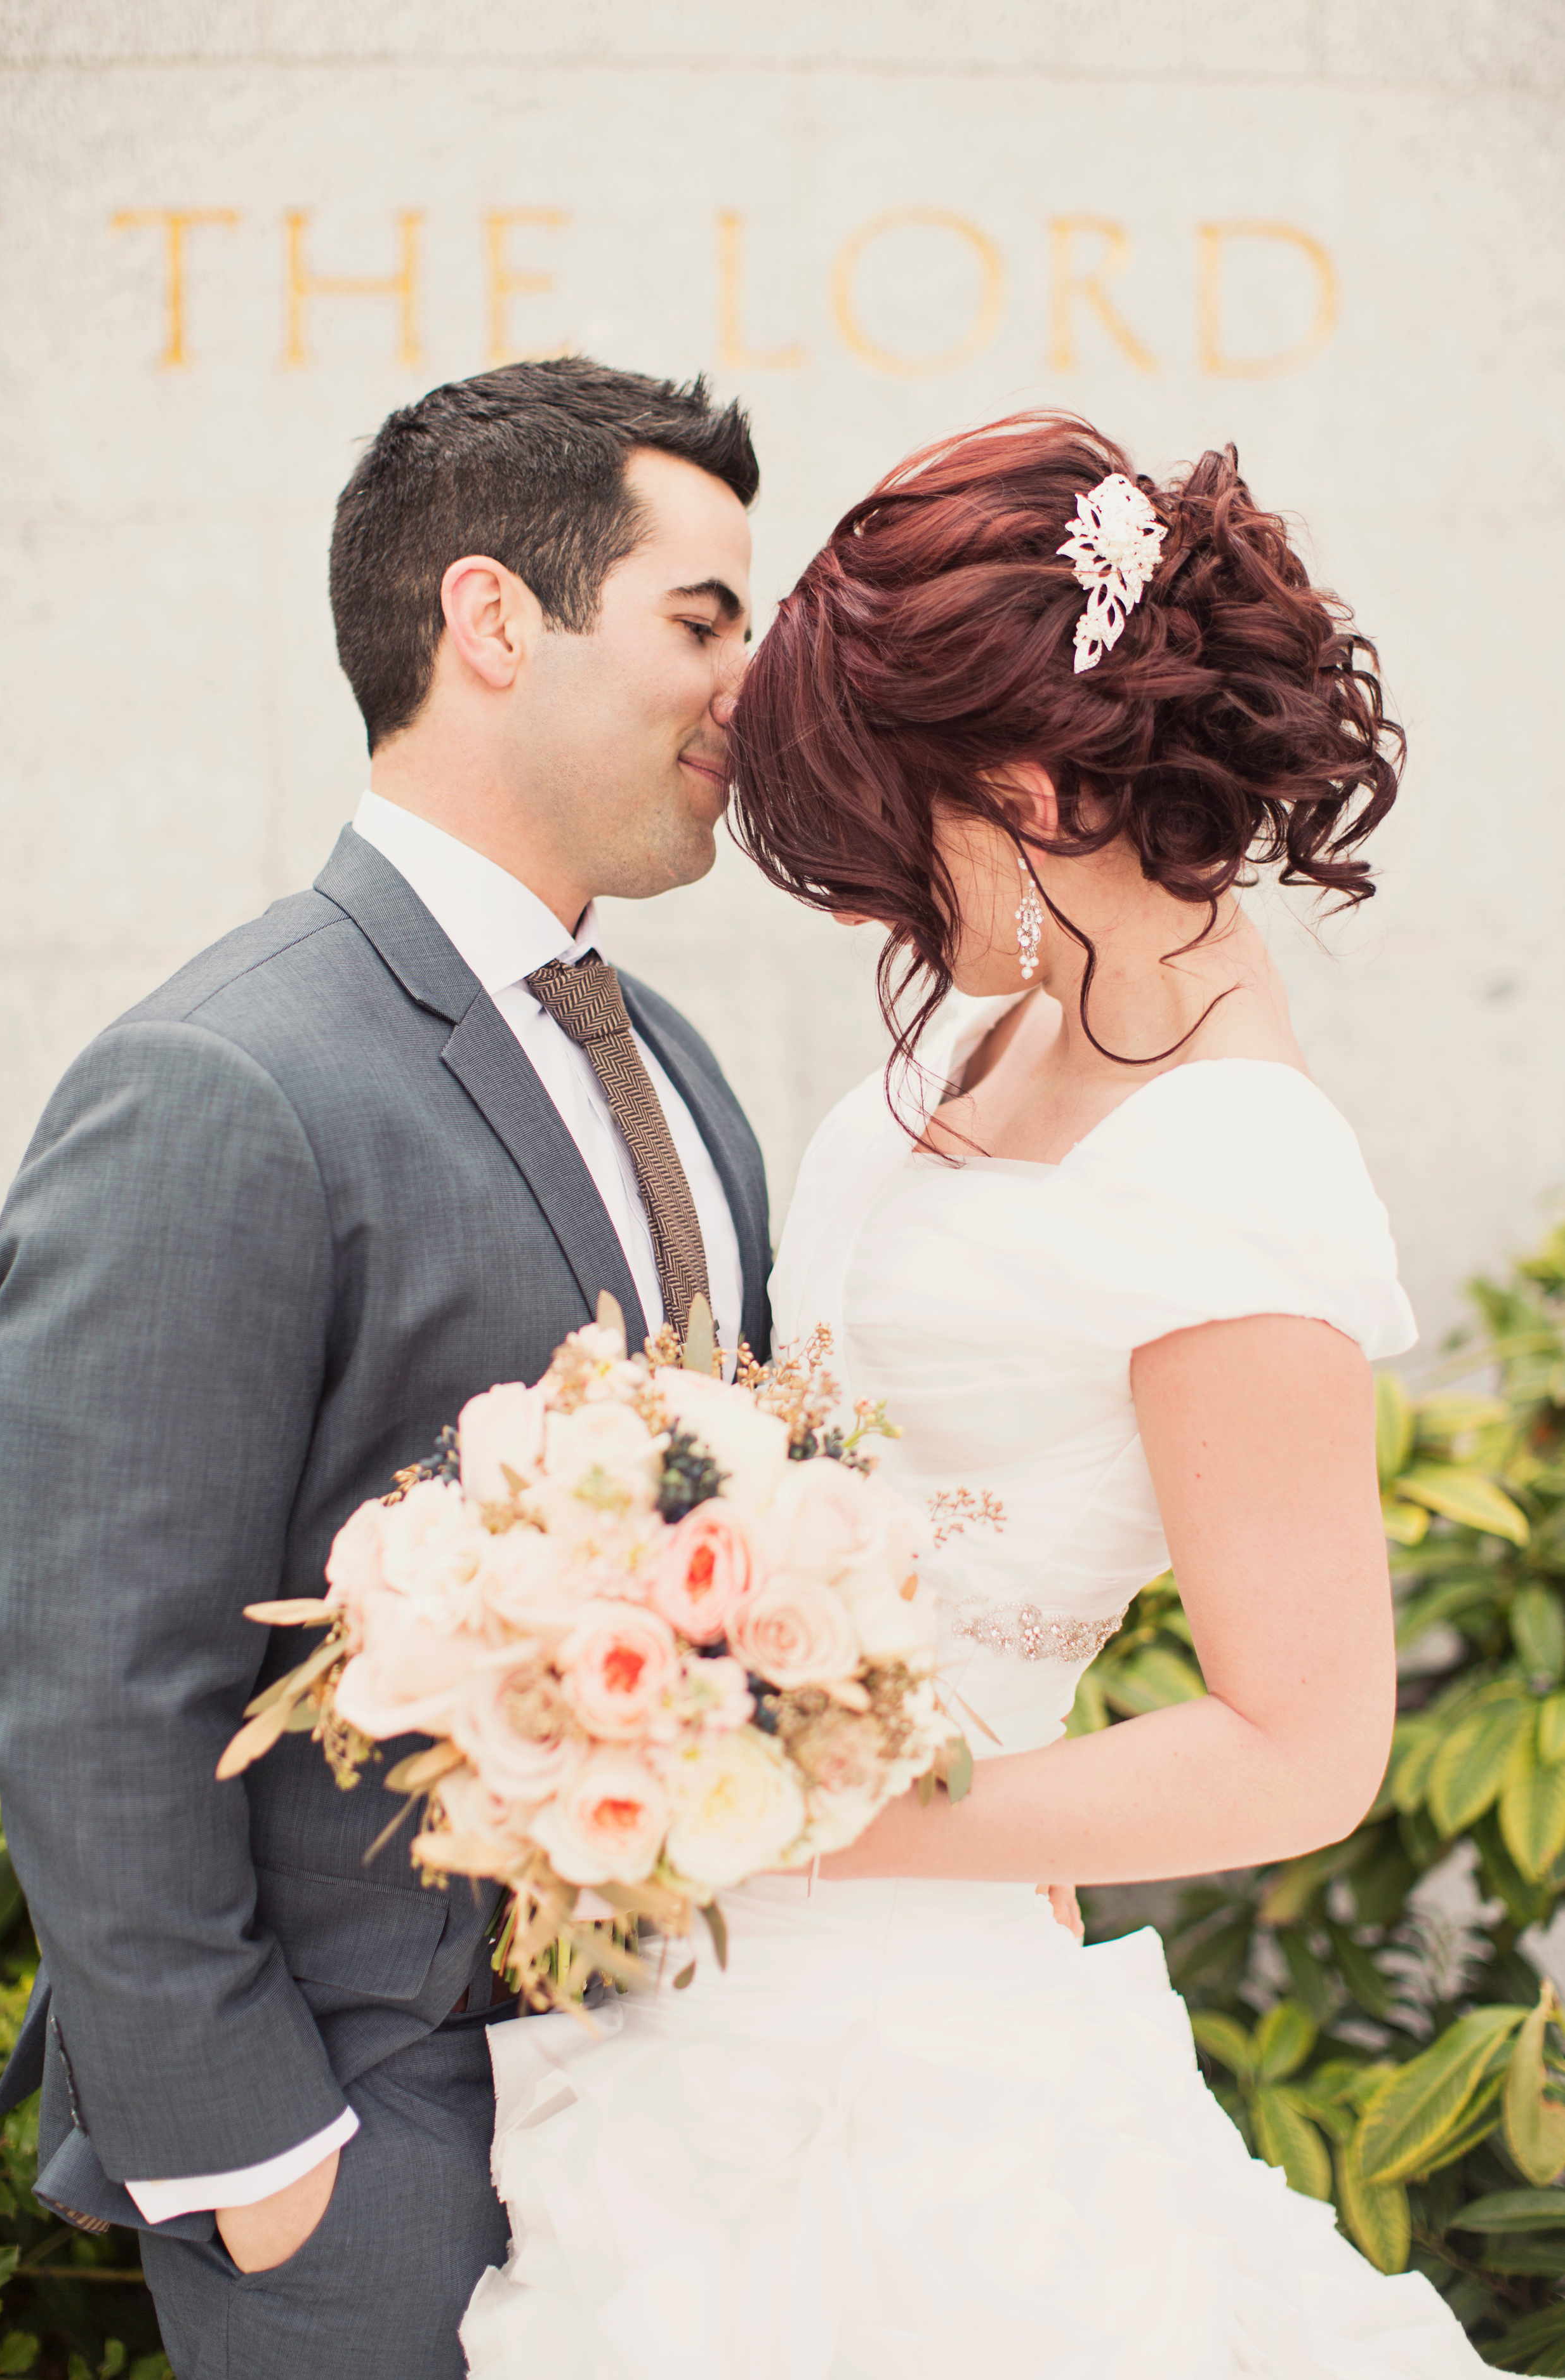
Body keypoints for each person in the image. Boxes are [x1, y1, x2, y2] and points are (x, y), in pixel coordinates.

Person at [458, 417, 1488, 2376]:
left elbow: (1302, 1745)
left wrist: (777, 1823)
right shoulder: (1009, 995)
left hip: (901, 2019)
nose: (860, 900)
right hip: (720, 1960)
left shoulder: (1230, 1176)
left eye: (885, 825)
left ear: (1021, 785)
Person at [0, 356, 772, 2380]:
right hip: (374, 2145)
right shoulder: (219, 1078)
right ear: (493, 619)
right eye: (702, 619)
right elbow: (93, 1668)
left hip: (678, 2117)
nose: (748, 685)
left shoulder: (673, 1065)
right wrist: (258, 2157)